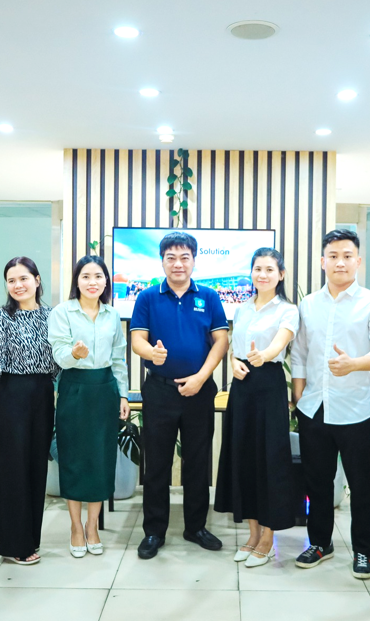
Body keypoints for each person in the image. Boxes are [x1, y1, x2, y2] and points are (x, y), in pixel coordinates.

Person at [291, 229, 370, 580]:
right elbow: (299, 353)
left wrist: (354, 364)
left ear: (358, 261)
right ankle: (320, 543)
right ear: (323, 261)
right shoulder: (308, 305)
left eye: (347, 256)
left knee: (361, 485)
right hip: (314, 408)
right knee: (317, 483)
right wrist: (299, 395)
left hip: (356, 409)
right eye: (333, 256)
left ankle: (363, 550)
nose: (340, 262)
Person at [130, 231, 230, 560]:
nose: (178, 263)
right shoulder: (147, 297)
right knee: (157, 463)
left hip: (199, 391)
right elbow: (138, 340)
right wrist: (152, 353)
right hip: (159, 390)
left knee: (198, 462)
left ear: (194, 260)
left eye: (184, 257)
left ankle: (195, 527)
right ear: (162, 261)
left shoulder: (209, 296)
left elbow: (221, 341)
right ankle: (154, 531)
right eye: (171, 257)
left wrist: (201, 378)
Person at [0, 257, 59, 565]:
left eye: (23, 278)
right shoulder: (1, 316)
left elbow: (59, 361)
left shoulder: (52, 316)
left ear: (37, 280)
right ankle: (15, 544)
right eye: (11, 280)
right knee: (12, 470)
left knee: (37, 468)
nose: (18, 285)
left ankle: (31, 539)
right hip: (11, 395)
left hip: (43, 394)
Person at [215, 248, 299, 568]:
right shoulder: (242, 309)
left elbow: (280, 343)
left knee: (269, 459)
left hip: (269, 384)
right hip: (242, 386)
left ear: (280, 275)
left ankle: (268, 537)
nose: (262, 275)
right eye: (257, 269)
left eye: (269, 269)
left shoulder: (288, 310)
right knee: (244, 457)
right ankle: (252, 534)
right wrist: (233, 362)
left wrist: (264, 355)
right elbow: (235, 348)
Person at [48, 255, 130, 559]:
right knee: (73, 459)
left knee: (100, 460)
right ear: (77, 281)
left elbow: (119, 358)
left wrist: (123, 395)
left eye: (98, 276)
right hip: (74, 388)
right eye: (85, 276)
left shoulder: (112, 315)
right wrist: (75, 354)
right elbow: (58, 355)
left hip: (105, 389)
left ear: (106, 281)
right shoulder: (62, 312)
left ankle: (92, 526)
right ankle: (75, 527)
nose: (92, 282)